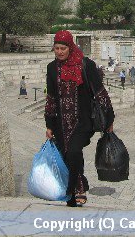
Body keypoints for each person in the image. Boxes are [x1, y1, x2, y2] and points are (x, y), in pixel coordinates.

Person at [44, 30, 114, 208]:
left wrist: (109, 118)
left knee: (74, 151)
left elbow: (99, 92)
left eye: (63, 48)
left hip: (83, 121)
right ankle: (77, 190)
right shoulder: (52, 68)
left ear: (70, 47)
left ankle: (72, 191)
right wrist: (49, 125)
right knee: (66, 156)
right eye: (56, 48)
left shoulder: (85, 65)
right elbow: (51, 98)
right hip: (61, 123)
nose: (59, 52)